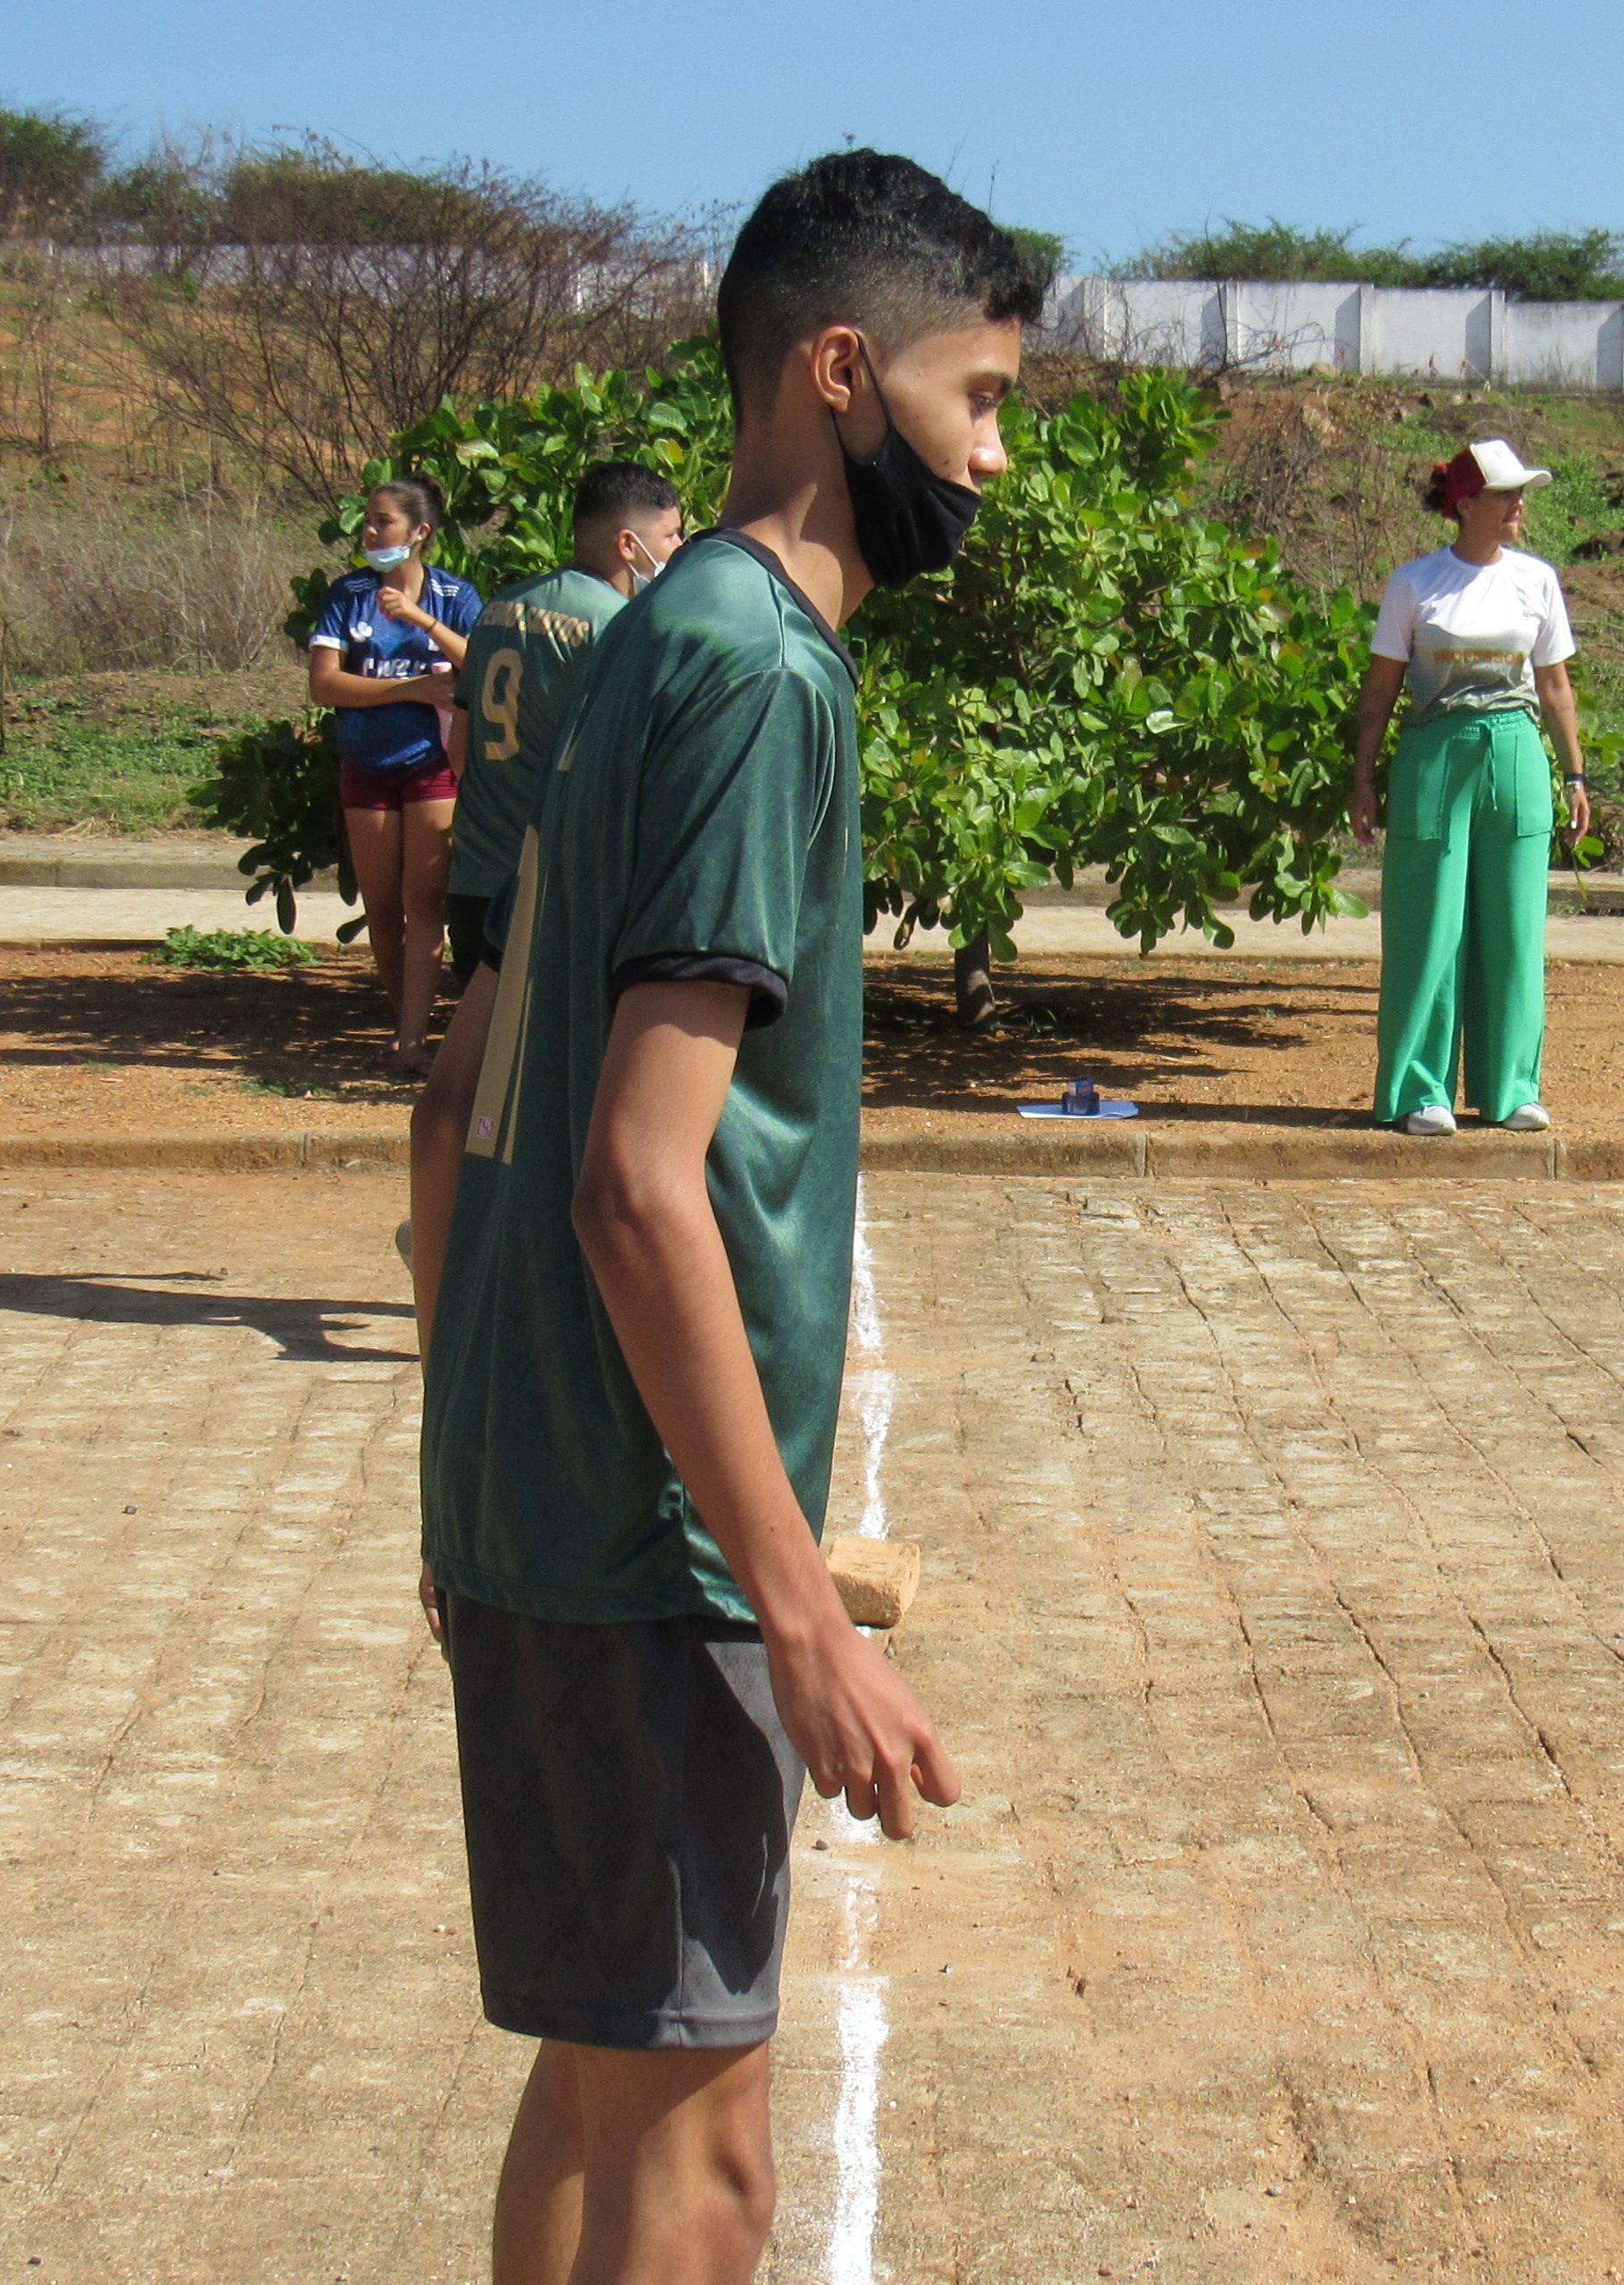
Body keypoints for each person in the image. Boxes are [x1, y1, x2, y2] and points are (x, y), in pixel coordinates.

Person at [416, 149, 1039, 2285]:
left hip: (549, 1492)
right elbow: (631, 1176)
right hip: (647, 1538)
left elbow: (475, 1085)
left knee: (604, 2091)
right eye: (977, 399)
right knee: (708, 2174)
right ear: (841, 372)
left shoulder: (649, 636)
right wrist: (795, 1613)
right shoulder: (762, 673)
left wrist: (464, 1467)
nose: (994, 456)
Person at [405, 459, 690, 1351]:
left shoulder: (498, 609)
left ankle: (455, 1237)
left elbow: (463, 736)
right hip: (543, 891)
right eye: (674, 535)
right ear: (630, 542)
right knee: (549, 1095)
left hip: (477, 879)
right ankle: (469, 1252)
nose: (681, 551)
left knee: (492, 1092)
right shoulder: (616, 625)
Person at [1346, 438, 1591, 1136]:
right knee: (1428, 927)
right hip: (1434, 753)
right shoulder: (1414, 584)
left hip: (1516, 755)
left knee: (1514, 928)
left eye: (1520, 494)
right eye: (1505, 494)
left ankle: (1510, 1089)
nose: (1518, 506)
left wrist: (1575, 775)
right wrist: (1363, 779)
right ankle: (1420, 1091)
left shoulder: (1537, 581)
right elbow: (1380, 692)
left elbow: (1555, 687)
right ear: (1466, 503)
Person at [308, 475, 484, 1076]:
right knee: (383, 908)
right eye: (369, 520)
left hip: (433, 767)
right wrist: (410, 688)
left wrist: (421, 620)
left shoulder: (455, 595)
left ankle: (413, 1042)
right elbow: (325, 684)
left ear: (420, 531)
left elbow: (481, 663)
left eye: (383, 521)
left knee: (424, 900)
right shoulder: (348, 594)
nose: (370, 531)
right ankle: (404, 1028)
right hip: (366, 768)